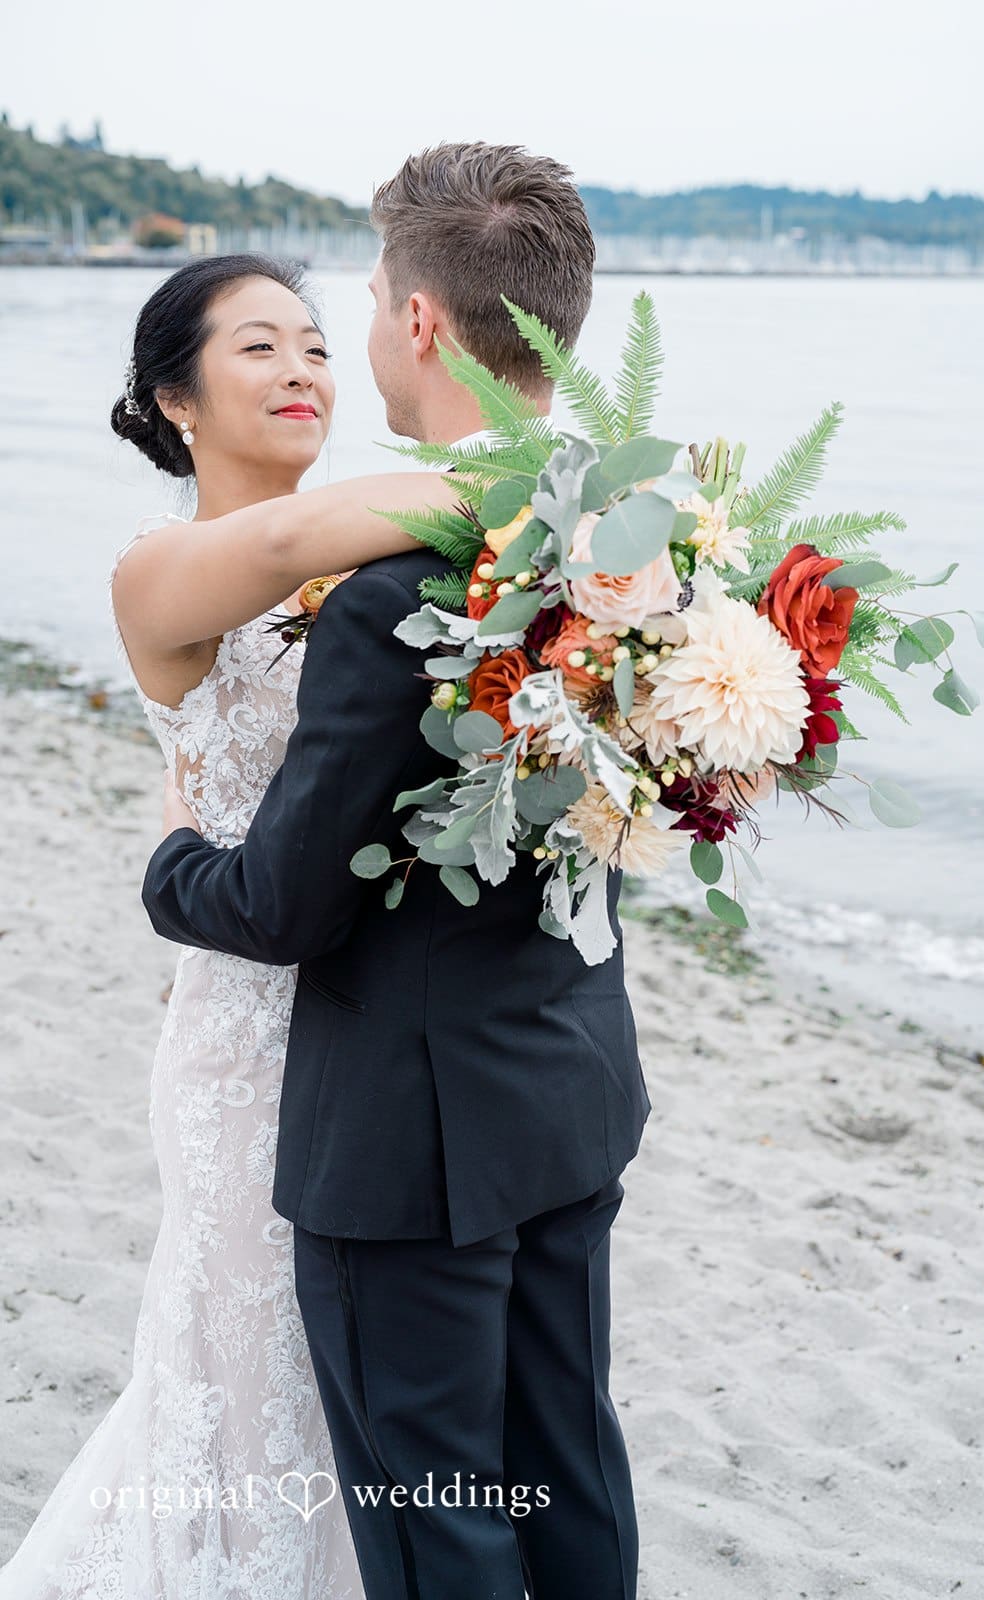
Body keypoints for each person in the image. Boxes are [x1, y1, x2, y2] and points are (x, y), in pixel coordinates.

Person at [140, 143, 650, 1600]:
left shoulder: (396, 592)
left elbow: (286, 903)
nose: (334, 348)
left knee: (439, 1517)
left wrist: (169, 867)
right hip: (566, 1084)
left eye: (354, 310)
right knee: (566, 1465)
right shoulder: (630, 552)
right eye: (265, 344)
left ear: (418, 321)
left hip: (409, 1132)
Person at [0, 250, 459, 1600]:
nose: (304, 368)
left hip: (380, 1023)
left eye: (316, 343)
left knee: (341, 1395)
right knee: (246, 1385)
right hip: (248, 1044)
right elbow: (274, 548)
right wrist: (547, 482)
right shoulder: (163, 569)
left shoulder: (368, 563)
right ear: (175, 400)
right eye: (258, 347)